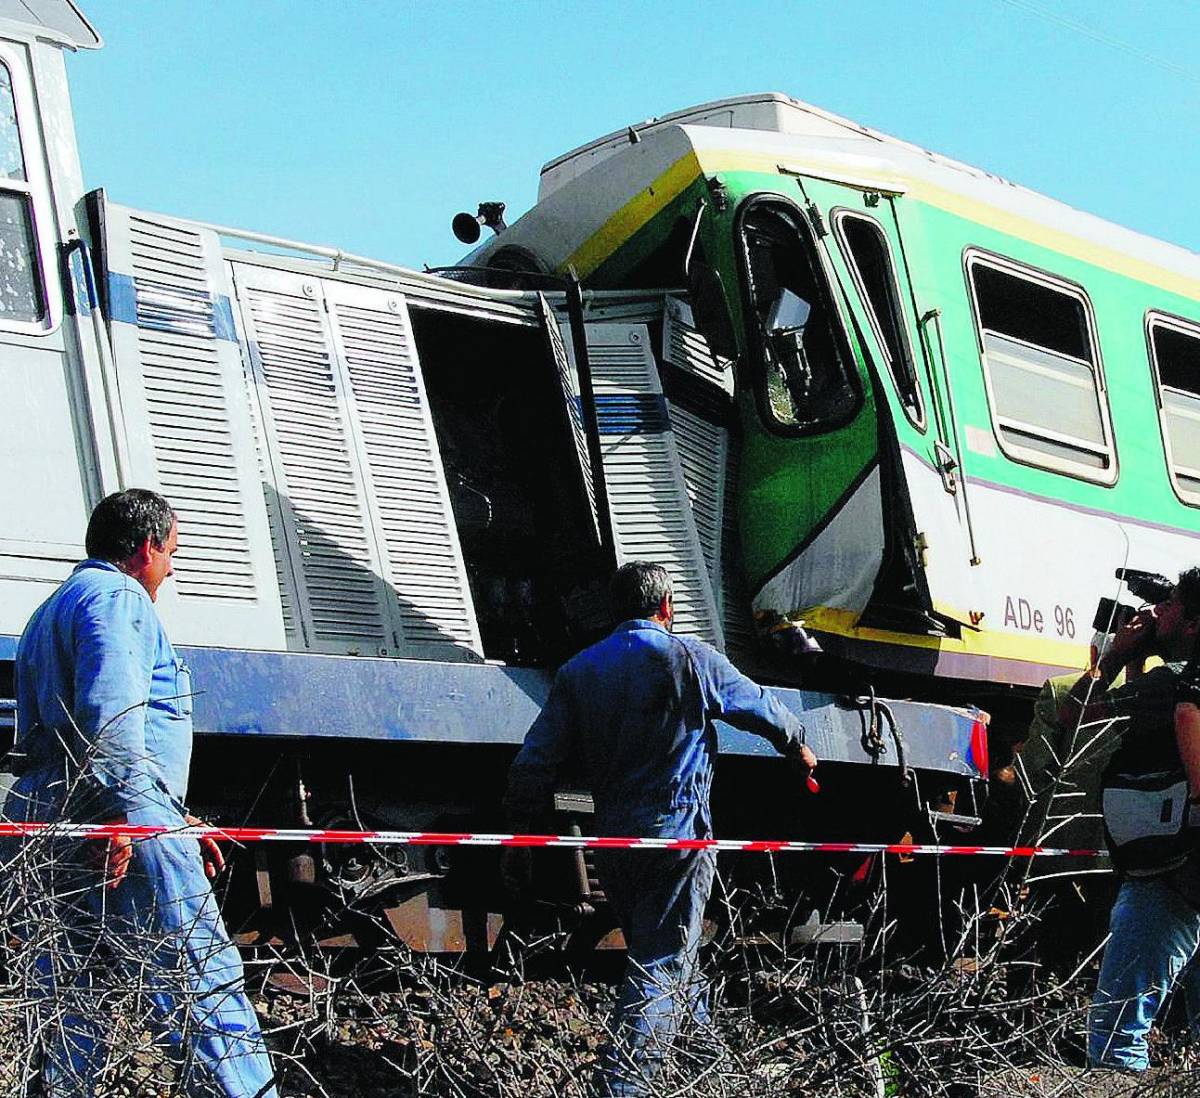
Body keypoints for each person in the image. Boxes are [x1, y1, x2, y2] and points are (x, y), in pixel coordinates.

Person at [503, 560, 817, 1096]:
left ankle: (713, 1073)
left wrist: (518, 831)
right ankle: (622, 1087)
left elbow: (534, 763)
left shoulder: (580, 670)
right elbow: (761, 708)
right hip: (678, 833)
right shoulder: (690, 658)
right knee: (665, 962)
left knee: (667, 953)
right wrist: (798, 745)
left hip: (614, 842)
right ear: (667, 607)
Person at [3, 490, 278, 1098]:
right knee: (199, 982)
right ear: (148, 547)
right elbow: (113, 712)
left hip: (42, 817)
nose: (171, 570)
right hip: (111, 807)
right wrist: (124, 818)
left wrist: (174, 818)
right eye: (171, 553)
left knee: (71, 998)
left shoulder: (45, 612)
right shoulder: (120, 596)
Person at [1055, 567, 1200, 1073]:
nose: (1154, 613)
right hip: (1188, 866)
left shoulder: (1172, 685)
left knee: (1117, 1032)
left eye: (1170, 606)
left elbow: (1074, 719)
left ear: (1191, 627)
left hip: (1168, 872)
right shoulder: (1175, 683)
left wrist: (1115, 656)